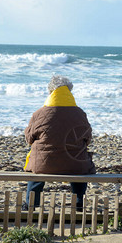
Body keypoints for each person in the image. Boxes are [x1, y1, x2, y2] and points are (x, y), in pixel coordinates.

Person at [23, 75, 95, 211]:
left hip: (45, 165)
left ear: (51, 92)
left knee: (37, 167)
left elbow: (29, 139)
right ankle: (78, 203)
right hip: (75, 163)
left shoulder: (39, 113)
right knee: (80, 166)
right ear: (69, 92)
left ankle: (30, 204)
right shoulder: (80, 113)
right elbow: (88, 138)